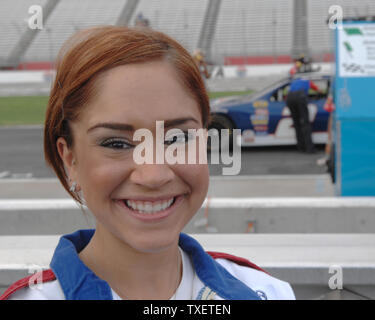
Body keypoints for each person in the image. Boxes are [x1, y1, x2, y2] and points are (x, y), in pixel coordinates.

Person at [0, 26, 295, 300]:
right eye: (117, 144)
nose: (153, 175)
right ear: (70, 159)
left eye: (178, 138)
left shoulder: (266, 292)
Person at [286, 77, 322, 153]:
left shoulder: (294, 81)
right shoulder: (308, 81)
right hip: (300, 97)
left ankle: (301, 147)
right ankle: (310, 149)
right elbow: (318, 90)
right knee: (305, 124)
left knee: (297, 124)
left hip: (289, 98)